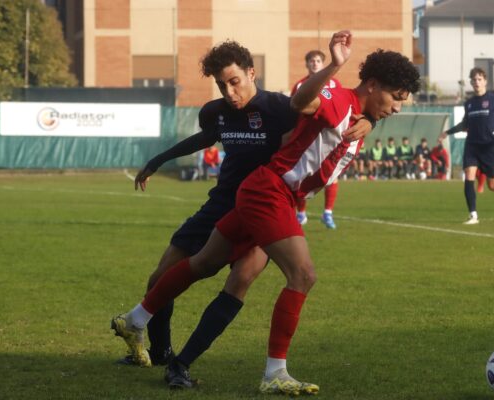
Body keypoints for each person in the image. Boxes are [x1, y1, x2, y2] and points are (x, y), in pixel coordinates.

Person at [111, 30, 420, 395]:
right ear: (371, 84)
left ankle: (139, 320)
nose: (399, 107)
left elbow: (335, 111)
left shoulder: (355, 110)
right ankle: (274, 371)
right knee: (302, 275)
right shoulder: (338, 98)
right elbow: (305, 101)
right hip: (269, 192)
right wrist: (335, 65)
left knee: (211, 267)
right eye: (396, 98)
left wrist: (373, 119)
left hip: (266, 193)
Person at [438, 66, 494, 224]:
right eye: (474, 80)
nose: (476, 82)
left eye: (479, 79)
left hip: (489, 147)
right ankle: (473, 215)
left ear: (485, 81)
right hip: (472, 146)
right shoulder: (469, 104)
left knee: (493, 187)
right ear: (471, 83)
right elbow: (465, 124)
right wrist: (447, 132)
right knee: (468, 177)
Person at [292, 50, 342, 229]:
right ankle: (301, 214)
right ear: (307, 65)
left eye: (318, 61)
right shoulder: (300, 85)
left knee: (331, 176)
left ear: (323, 64)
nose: (315, 63)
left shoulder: (335, 84)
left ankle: (327, 213)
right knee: (301, 177)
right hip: (308, 139)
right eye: (311, 61)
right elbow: (294, 111)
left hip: (329, 138)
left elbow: (341, 108)